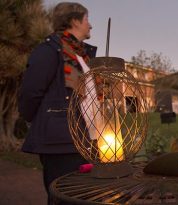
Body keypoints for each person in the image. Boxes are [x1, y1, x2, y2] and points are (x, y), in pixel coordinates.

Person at [18, 2, 96, 204]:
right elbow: (30, 92)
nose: (91, 25)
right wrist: (38, 120)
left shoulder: (83, 57)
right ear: (74, 21)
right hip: (61, 143)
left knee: (85, 198)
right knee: (64, 199)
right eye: (87, 19)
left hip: (86, 141)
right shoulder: (50, 50)